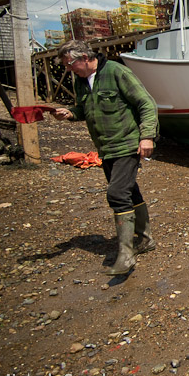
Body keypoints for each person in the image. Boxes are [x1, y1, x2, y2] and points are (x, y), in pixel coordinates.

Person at [53, 40, 159, 276]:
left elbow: (146, 103)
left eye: (70, 64)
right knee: (130, 191)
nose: (69, 70)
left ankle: (126, 255)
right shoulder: (81, 81)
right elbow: (84, 109)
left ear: (83, 56)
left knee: (117, 193)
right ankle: (145, 240)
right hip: (106, 148)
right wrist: (70, 113)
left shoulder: (116, 71)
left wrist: (147, 137)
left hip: (127, 144)